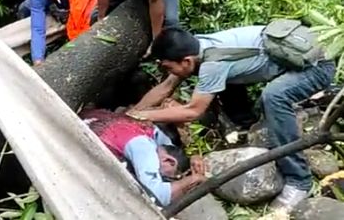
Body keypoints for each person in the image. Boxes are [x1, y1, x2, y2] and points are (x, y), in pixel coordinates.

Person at [126, 21, 336, 211]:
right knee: (227, 84)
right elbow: (166, 87)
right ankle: (248, 127)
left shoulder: (212, 65)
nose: (168, 72)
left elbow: (193, 111)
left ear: (186, 61)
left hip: (317, 67)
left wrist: (145, 117)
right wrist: (131, 115)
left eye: (168, 67)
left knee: (273, 97)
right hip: (294, 58)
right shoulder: (198, 47)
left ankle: (298, 180)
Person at [80, 107, 206, 206]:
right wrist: (193, 179)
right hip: (81, 140)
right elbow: (156, 196)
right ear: (169, 161)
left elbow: (169, 146)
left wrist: (192, 157)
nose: (162, 179)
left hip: (90, 118)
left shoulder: (155, 138)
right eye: (167, 178)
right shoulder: (145, 149)